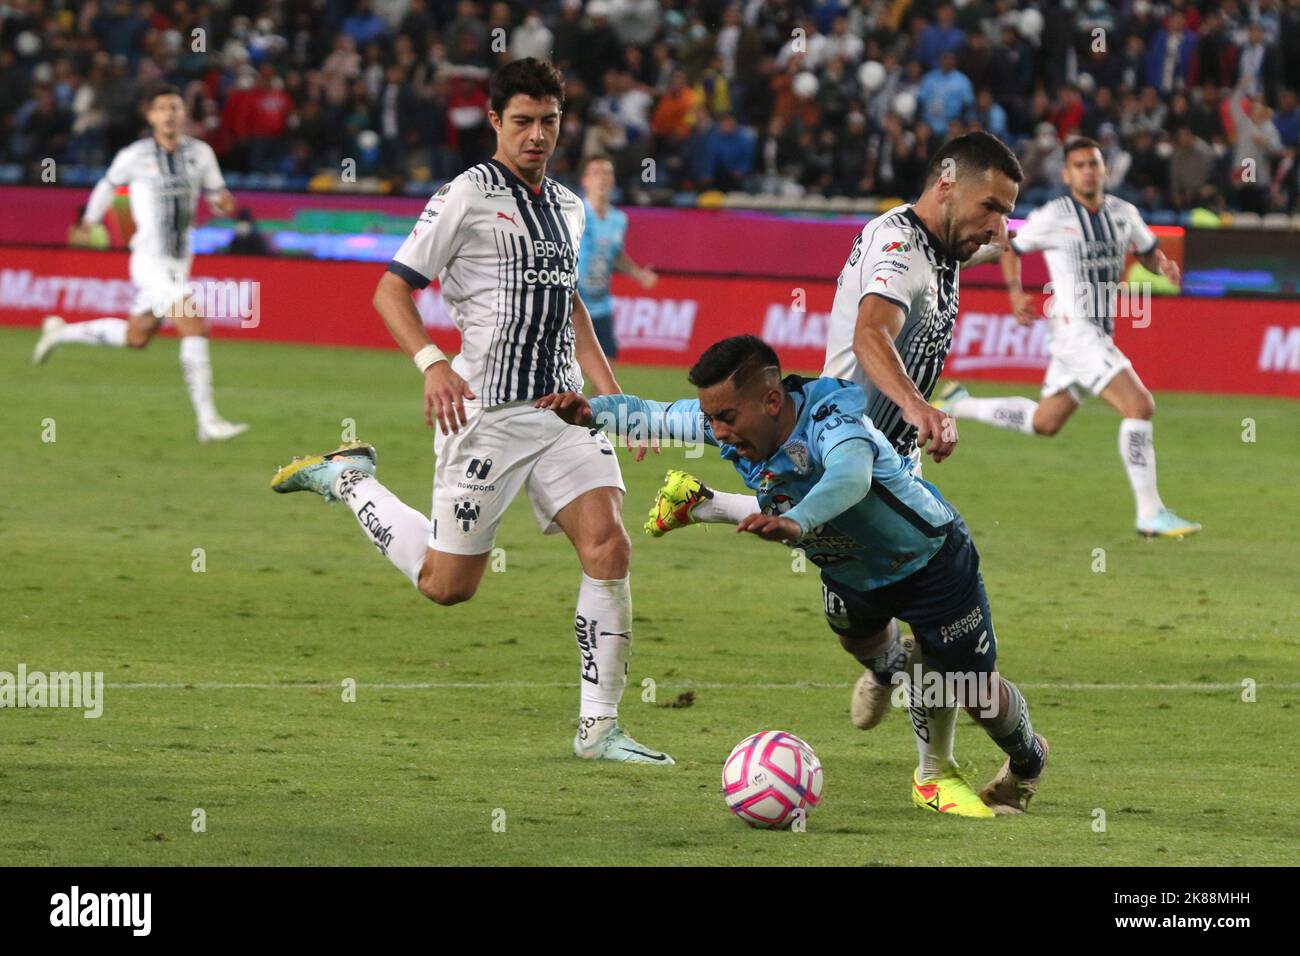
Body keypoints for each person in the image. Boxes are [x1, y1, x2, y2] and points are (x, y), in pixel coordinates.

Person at [269, 59, 671, 765]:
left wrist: (613, 400)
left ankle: (598, 727)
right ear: (494, 122)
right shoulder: (465, 195)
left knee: (609, 546)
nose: (537, 135)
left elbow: (570, 304)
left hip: (564, 410)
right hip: (485, 413)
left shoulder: (571, 208)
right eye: (522, 121)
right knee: (447, 587)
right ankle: (350, 480)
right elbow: (391, 290)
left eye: (548, 121)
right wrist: (431, 363)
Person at [537, 335, 1049, 817]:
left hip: (929, 563)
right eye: (712, 419)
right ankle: (897, 671)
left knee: (972, 691)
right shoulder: (731, 424)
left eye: (727, 417)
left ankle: (1024, 762)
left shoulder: (834, 420)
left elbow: (851, 476)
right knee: (862, 644)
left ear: (772, 402)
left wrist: (798, 520)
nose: (717, 432)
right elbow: (658, 413)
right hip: (849, 569)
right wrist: (595, 412)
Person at [934, 137, 1200, 538]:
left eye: (1093, 163)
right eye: (1079, 165)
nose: (1088, 171)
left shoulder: (1124, 213)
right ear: (1067, 174)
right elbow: (1010, 247)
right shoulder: (1053, 215)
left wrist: (1162, 265)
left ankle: (962, 405)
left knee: (1046, 422)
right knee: (1139, 406)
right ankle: (1150, 512)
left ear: (1104, 169)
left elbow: (1146, 249)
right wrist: (1016, 291)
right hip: (1078, 333)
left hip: (1095, 333)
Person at [32, 82, 248, 443]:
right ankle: (207, 422)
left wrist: (225, 204)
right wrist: (88, 222)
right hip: (149, 259)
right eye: (162, 107)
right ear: (150, 116)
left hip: (180, 261)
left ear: (184, 114)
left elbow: (218, 196)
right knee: (194, 325)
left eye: (176, 107)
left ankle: (60, 331)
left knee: (137, 337)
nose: (170, 113)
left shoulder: (201, 154)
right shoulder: (135, 155)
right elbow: (106, 186)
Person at [576, 154, 657, 360]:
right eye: (595, 173)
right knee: (567, 375)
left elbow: (616, 255)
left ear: (613, 181)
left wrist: (638, 275)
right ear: (585, 181)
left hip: (601, 305)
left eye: (607, 173)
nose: (602, 178)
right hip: (573, 306)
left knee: (607, 371)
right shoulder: (574, 214)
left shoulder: (619, 219)